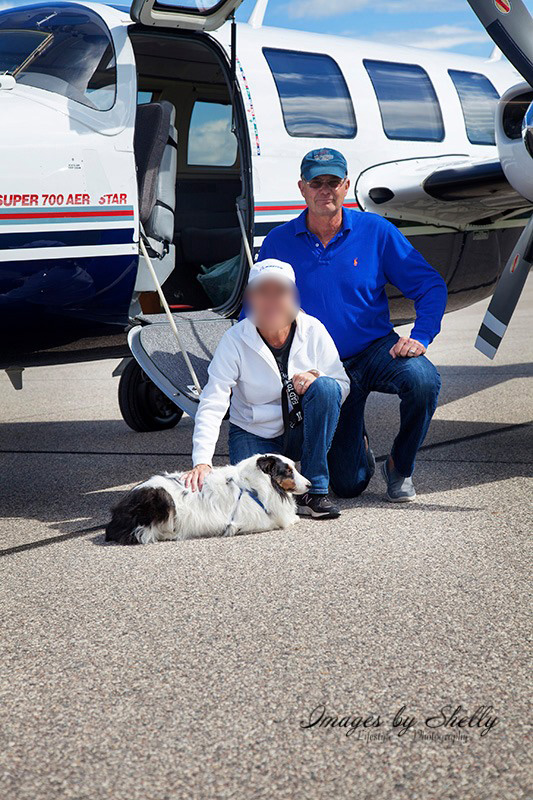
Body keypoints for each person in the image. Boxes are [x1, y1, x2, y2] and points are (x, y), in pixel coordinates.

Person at [258, 148, 448, 502]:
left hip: (374, 349)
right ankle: (354, 442)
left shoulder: (376, 231)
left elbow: (430, 285)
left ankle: (399, 466)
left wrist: (420, 335)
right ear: (303, 188)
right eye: (317, 182)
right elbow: (257, 307)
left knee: (423, 380)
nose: (325, 190)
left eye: (333, 182)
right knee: (348, 485)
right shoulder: (278, 241)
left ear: (346, 186)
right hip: (319, 366)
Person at [182, 258, 350, 519]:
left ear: (293, 296)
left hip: (302, 429)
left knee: (351, 482)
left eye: (280, 292)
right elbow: (213, 401)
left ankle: (315, 490)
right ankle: (307, 481)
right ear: (250, 297)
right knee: (251, 500)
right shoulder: (234, 340)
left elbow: (342, 385)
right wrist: (202, 461)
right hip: (254, 432)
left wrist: (315, 377)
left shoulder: (313, 329)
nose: (271, 300)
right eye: (262, 292)